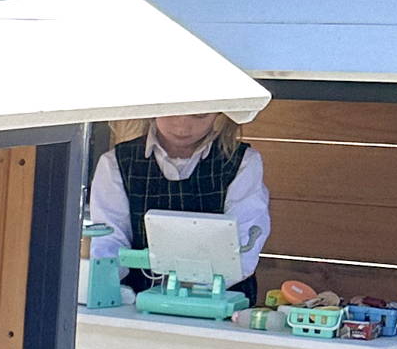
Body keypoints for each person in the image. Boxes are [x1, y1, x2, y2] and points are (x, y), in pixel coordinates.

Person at [88, 111, 272, 295]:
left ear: (218, 114)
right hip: (135, 299)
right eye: (171, 112)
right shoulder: (115, 163)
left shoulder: (242, 162)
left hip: (222, 298)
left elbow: (246, 239)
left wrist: (196, 290)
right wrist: (108, 289)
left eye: (199, 116)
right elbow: (109, 241)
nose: (182, 126)